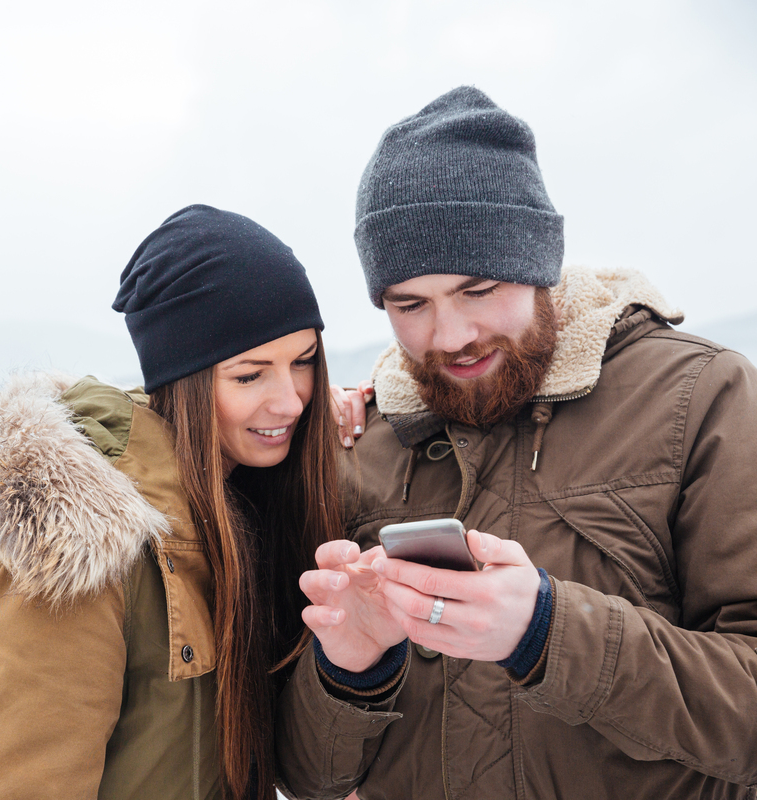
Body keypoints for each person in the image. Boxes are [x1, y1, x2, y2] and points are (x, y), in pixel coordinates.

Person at [276, 86, 757, 799]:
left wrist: (546, 631)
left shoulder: (702, 397)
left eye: (479, 289)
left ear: (538, 264)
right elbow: (306, 778)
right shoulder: (363, 444)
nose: (450, 337)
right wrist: (351, 672)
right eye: (410, 305)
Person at [0, 204, 344, 800]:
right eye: (249, 375)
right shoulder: (87, 546)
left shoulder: (245, 505)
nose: (290, 401)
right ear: (182, 380)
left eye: (303, 362)